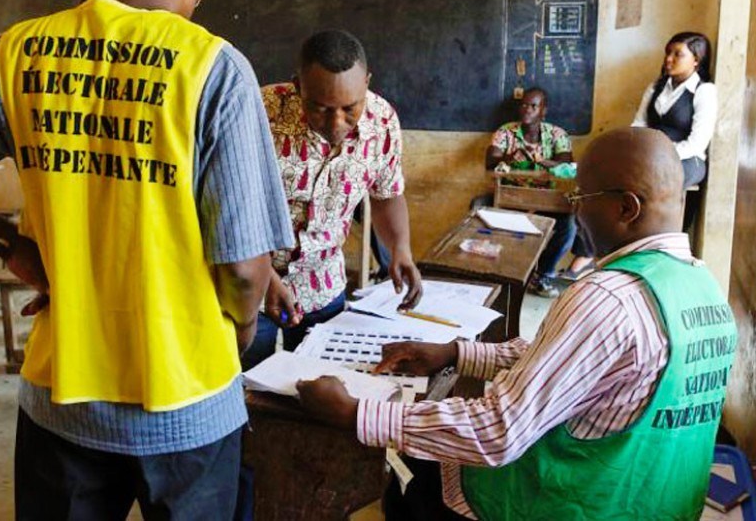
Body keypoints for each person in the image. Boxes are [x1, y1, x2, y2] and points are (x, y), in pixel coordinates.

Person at [0, 0, 294, 519]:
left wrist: (9, 243)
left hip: (62, 396)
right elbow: (245, 271)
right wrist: (239, 335)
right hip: (190, 402)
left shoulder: (16, 52)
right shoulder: (216, 71)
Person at [297, 127, 737, 520]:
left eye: (580, 198)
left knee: (412, 476)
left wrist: (356, 412)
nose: (575, 213)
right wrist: (456, 353)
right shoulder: (701, 286)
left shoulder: (606, 297)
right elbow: (578, 364)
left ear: (626, 208)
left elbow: (498, 431)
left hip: (574, 505)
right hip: (658, 503)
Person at [241, 30, 423, 370]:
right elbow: (232, 207)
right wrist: (265, 277)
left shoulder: (382, 121)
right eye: (320, 109)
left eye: (349, 108)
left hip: (322, 285)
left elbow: (386, 195)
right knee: (247, 387)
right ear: (298, 87)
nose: (336, 123)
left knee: (319, 386)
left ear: (366, 83)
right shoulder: (259, 112)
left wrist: (401, 249)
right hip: (252, 284)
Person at [480, 87, 576, 298]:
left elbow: (567, 164)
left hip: (546, 200)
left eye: (533, 106)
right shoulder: (506, 132)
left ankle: (542, 275)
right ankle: (492, 273)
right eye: (524, 104)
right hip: (511, 196)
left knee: (569, 225)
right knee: (478, 207)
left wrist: (541, 161)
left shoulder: (557, 134)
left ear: (543, 111)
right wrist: (508, 158)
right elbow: (490, 161)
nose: (527, 109)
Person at [632, 31, 717, 188]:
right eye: (668, 52)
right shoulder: (655, 88)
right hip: (651, 156)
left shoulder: (704, 91)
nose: (669, 59)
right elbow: (638, 125)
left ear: (696, 60)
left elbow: (697, 143)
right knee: (615, 170)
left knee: (651, 179)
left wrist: (660, 155)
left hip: (687, 160)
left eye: (678, 54)